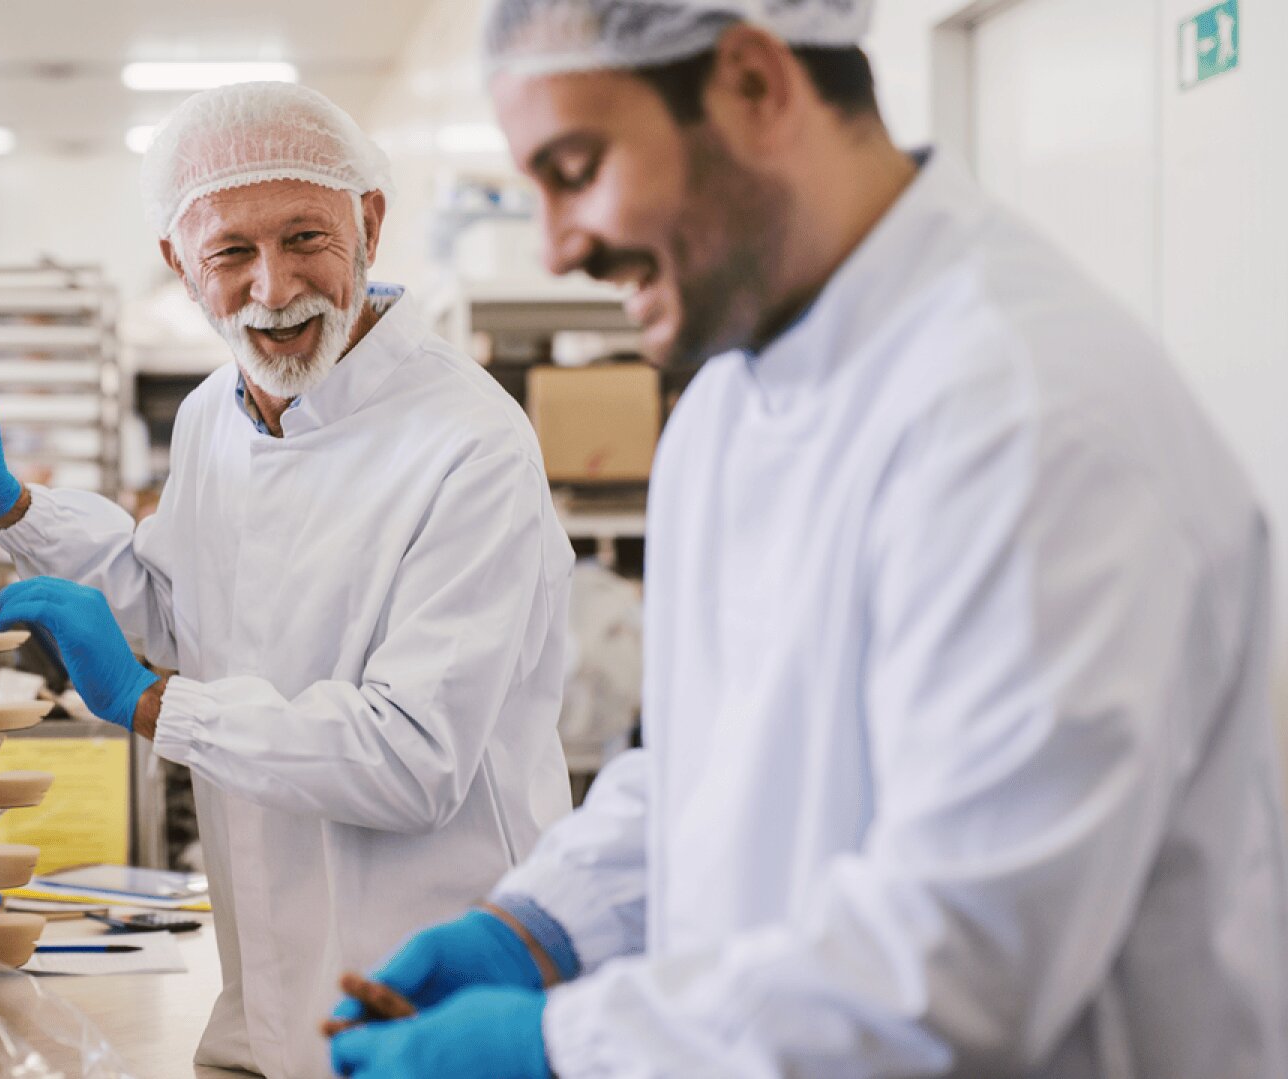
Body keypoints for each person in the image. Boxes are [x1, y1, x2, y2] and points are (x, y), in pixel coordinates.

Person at [327, 2, 1288, 1077]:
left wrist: (557, 1046)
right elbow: (711, 769)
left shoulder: (1027, 413)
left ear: (754, 85)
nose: (558, 247)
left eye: (577, 168)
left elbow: (955, 964)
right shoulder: (726, 407)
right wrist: (540, 925)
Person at [0, 81, 575, 1079]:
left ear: (370, 225)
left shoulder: (471, 445)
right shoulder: (213, 416)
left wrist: (152, 704)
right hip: (266, 996)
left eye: (306, 237)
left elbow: (412, 758)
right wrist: (13, 504)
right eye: (230, 252)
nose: (274, 286)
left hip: (437, 1005)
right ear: (180, 264)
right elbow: (182, 610)